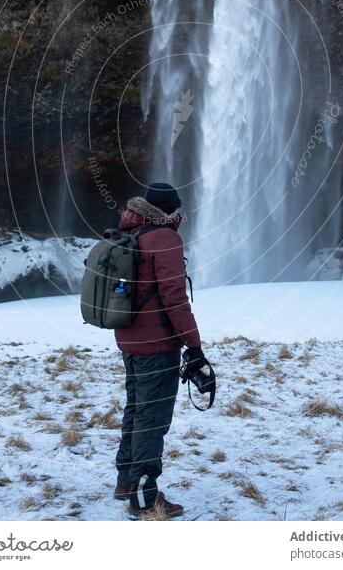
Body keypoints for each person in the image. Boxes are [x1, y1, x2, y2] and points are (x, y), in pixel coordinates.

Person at [113, 182, 206, 519]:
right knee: (151, 419)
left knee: (137, 409)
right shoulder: (164, 238)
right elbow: (174, 297)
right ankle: (144, 497)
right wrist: (194, 346)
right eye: (177, 210)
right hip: (156, 344)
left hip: (130, 339)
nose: (180, 215)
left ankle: (126, 481)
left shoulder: (132, 232)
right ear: (168, 210)